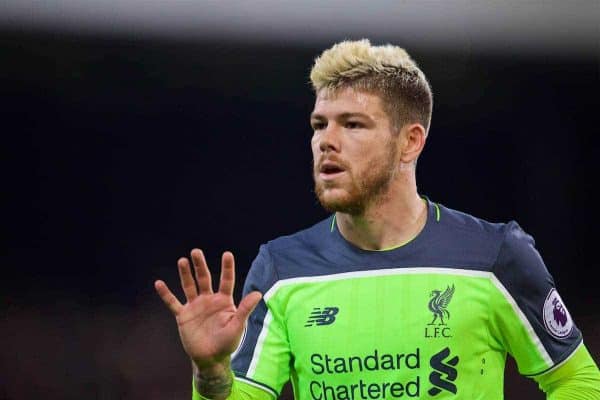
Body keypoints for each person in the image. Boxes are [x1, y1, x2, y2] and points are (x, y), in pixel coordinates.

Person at [155, 39, 600, 399]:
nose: (326, 142)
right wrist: (211, 376)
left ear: (409, 143)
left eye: (352, 125)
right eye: (318, 124)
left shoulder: (492, 257)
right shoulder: (281, 269)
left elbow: (577, 381)